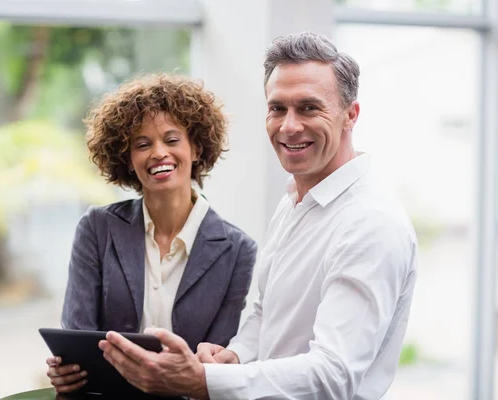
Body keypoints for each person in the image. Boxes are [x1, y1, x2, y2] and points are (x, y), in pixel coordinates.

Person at [98, 32, 418, 400]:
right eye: (277, 108)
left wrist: (203, 382)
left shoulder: (370, 223)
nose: (289, 126)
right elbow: (268, 316)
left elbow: (334, 374)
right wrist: (234, 356)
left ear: (351, 115)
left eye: (309, 108)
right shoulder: (296, 199)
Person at [45, 74, 258, 394]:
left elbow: (214, 362)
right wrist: (68, 371)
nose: (158, 153)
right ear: (128, 160)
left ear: (196, 148)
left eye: (172, 140)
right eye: (142, 144)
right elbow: (77, 338)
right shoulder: (97, 229)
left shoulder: (238, 250)